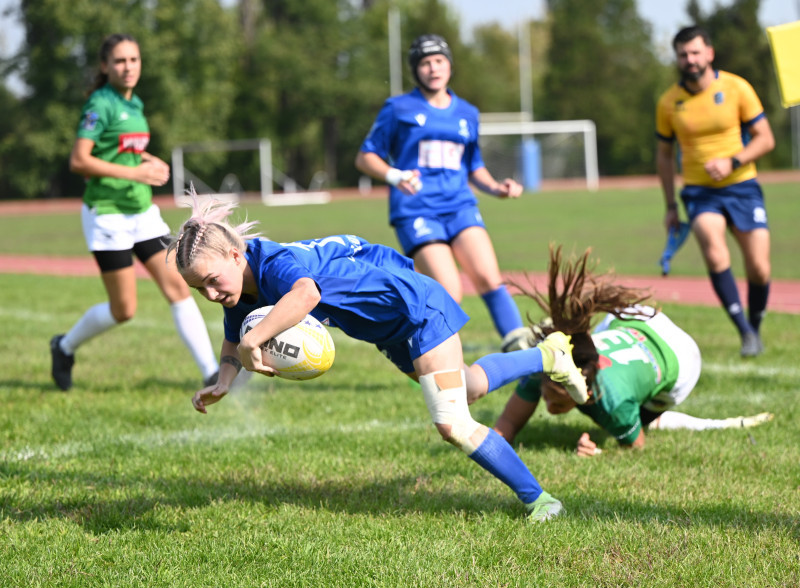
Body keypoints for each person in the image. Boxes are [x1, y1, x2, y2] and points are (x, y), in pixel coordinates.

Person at [166, 192, 593, 523]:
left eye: (211, 281)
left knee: (452, 423)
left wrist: (252, 340)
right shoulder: (238, 288)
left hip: (415, 307)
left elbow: (306, 294)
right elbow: (232, 337)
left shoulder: (275, 262)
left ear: (236, 255)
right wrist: (225, 380)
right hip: (386, 329)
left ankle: (541, 501)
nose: (211, 294)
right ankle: (549, 354)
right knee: (472, 387)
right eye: (199, 289)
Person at [49, 33, 219, 391]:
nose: (128, 67)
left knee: (178, 287)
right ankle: (63, 347)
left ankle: (211, 373)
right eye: (120, 61)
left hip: (142, 213)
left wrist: (147, 162)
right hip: (107, 215)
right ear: (105, 66)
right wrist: (135, 172)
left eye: (134, 60)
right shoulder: (100, 103)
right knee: (124, 310)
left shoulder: (135, 104)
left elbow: (123, 151)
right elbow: (80, 160)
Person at [492, 246, 774, 455]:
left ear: (585, 390)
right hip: (637, 318)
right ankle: (568, 332)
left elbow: (636, 447)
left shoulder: (611, 402)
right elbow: (505, 426)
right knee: (583, 346)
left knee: (640, 421)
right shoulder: (549, 366)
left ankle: (651, 410)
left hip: (682, 356)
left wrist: (599, 453)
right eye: (547, 394)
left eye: (557, 400)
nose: (549, 406)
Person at [355, 34, 531, 353]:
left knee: (489, 279)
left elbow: (473, 165)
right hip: (416, 209)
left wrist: (496, 189)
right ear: (415, 70)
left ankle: (521, 349)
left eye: (439, 61)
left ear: (449, 65)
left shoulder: (467, 112)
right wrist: (395, 175)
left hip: (460, 205)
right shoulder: (398, 108)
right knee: (449, 289)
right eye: (424, 63)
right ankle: (429, 355)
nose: (433, 68)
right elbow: (365, 156)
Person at [655, 26, 775, 358]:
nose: (689, 60)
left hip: (743, 186)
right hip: (699, 192)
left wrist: (733, 160)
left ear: (709, 53)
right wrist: (669, 206)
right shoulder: (669, 102)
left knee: (759, 268)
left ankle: (755, 327)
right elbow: (664, 156)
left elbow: (766, 138)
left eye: (695, 52)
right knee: (714, 248)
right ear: (677, 58)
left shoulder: (737, 87)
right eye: (683, 54)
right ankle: (745, 333)